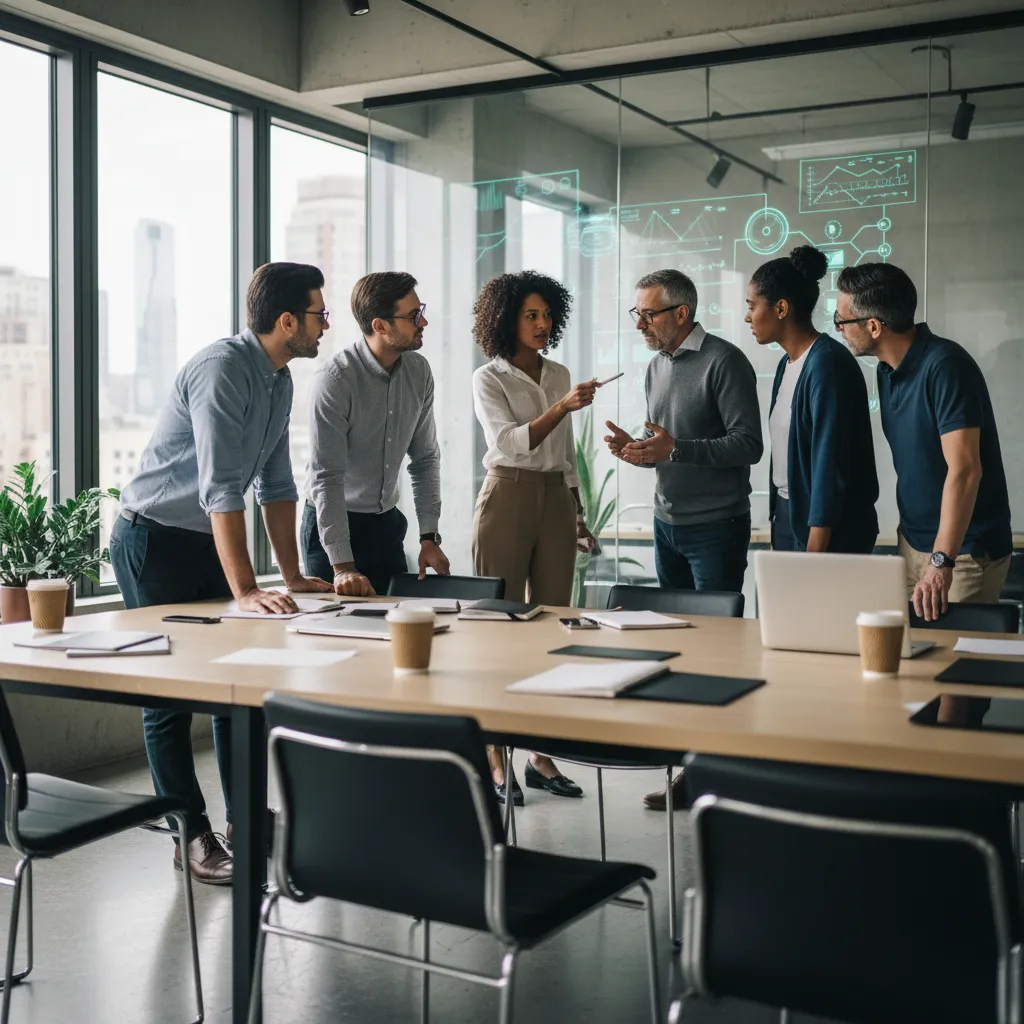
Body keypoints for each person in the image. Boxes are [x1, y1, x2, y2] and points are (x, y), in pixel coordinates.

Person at [110, 263, 335, 884]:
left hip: (207, 540)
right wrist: (244, 590)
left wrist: (290, 576)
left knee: (238, 688)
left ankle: (246, 821)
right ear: (287, 320)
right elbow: (220, 488)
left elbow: (277, 482)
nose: (325, 325)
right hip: (153, 541)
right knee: (170, 698)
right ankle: (191, 834)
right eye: (320, 312)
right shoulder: (222, 369)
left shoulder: (279, 378)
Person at [604, 269, 762, 812]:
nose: (640, 323)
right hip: (665, 524)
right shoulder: (655, 366)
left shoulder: (724, 361)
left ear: (682, 313)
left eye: (649, 313)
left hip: (716, 526)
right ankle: (685, 771)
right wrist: (638, 448)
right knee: (674, 652)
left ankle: (721, 773)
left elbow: (748, 445)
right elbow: (665, 442)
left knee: (715, 660)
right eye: (637, 313)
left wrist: (675, 450)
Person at [471, 270, 598, 804]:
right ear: (506, 320)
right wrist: (561, 407)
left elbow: (564, 457)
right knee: (497, 629)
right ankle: (495, 754)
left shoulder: (559, 371)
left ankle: (540, 757)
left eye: (547, 315)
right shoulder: (489, 378)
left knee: (551, 623)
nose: (543, 324)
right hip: (507, 495)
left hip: (552, 500)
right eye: (531, 315)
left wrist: (575, 512)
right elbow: (511, 443)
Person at [834, 262, 1011, 619]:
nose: (838, 329)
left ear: (873, 326)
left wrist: (941, 561)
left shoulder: (945, 366)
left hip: (961, 554)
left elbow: (965, 471)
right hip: (912, 544)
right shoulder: (886, 371)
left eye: (841, 320)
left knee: (956, 666)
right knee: (908, 659)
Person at [301, 271, 449, 597]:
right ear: (380, 326)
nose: (423, 322)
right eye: (413, 316)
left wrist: (429, 538)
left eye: (420, 311)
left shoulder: (419, 372)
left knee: (396, 630)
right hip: (333, 526)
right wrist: (342, 567)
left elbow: (424, 459)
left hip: (386, 526)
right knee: (335, 634)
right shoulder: (335, 380)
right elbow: (327, 477)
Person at [746, 245, 879, 553]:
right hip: (790, 519)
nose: (746, 316)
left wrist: (814, 554)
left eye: (752, 306)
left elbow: (828, 468)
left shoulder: (827, 365)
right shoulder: (787, 363)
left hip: (825, 531)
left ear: (780, 308)